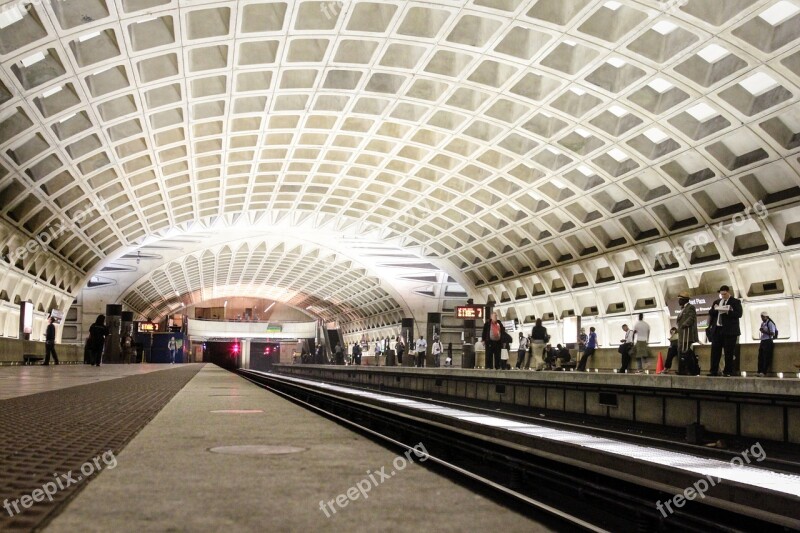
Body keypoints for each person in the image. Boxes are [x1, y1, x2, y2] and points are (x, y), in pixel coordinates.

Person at [708, 285, 742, 376]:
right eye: (721, 294)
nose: (723, 296)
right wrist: (715, 309)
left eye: (724, 294)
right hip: (717, 330)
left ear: (728, 292)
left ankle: (728, 371)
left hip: (729, 331)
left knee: (728, 352)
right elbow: (711, 313)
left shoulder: (735, 302)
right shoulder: (717, 302)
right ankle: (714, 371)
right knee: (715, 352)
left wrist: (728, 311)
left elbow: (739, 314)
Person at [757, 312, 778, 377]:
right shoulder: (763, 323)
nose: (762, 318)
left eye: (763, 317)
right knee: (760, 356)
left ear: (766, 317)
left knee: (766, 357)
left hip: (768, 341)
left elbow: (772, 333)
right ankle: (759, 371)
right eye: (761, 317)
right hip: (763, 340)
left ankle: (764, 371)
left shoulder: (770, 323)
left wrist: (764, 331)